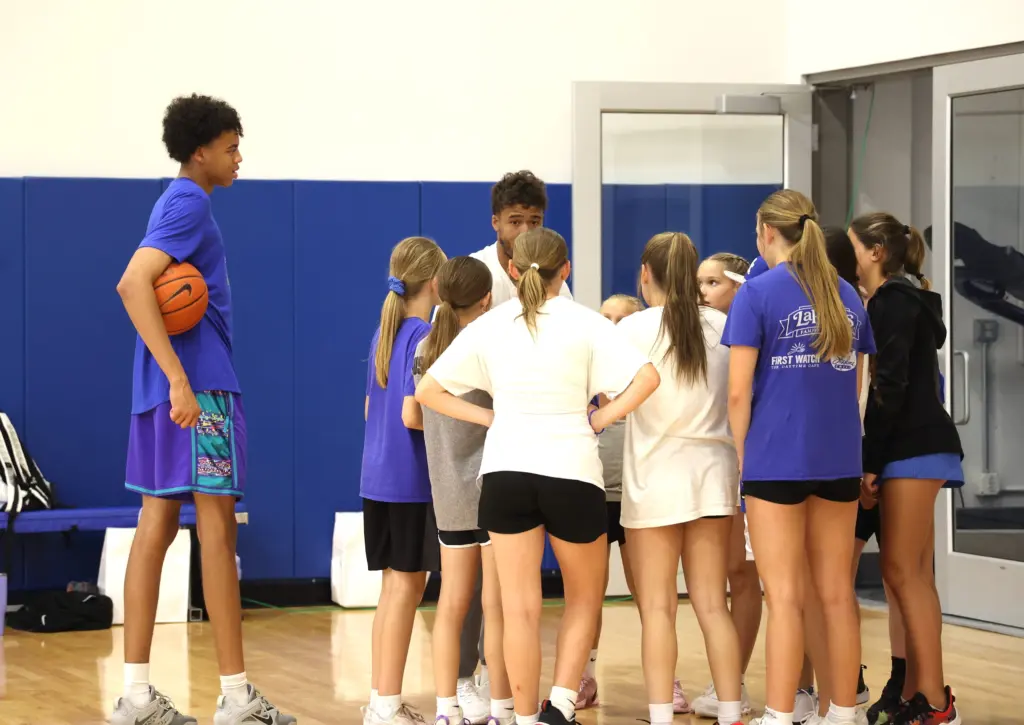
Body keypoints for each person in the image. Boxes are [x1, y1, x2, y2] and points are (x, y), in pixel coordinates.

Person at [416, 228, 660, 725]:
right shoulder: (587, 322)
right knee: (584, 599)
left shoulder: (491, 324)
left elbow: (428, 390)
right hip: (573, 472)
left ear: (511, 270)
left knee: (518, 609)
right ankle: (562, 703)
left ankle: (525, 718)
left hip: (506, 473)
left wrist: (491, 418)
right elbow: (647, 378)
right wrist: (600, 418)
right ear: (564, 270)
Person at [112, 94, 293, 725]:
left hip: (162, 391)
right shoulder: (189, 201)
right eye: (231, 147)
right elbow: (133, 283)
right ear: (200, 152)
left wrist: (167, 380)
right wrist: (180, 379)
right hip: (198, 390)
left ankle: (136, 696)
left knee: (156, 525)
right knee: (217, 532)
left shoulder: (172, 200)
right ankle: (237, 698)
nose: (239, 158)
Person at [723, 190, 876, 725]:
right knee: (835, 593)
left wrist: (744, 456)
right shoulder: (847, 294)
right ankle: (842, 713)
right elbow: (856, 388)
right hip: (838, 460)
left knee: (784, 597)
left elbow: (738, 394)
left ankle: (780, 714)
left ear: (767, 232)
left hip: (775, 460)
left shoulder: (756, 292)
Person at [457, 170, 573, 716]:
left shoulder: (556, 279)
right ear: (496, 223)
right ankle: (471, 679)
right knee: (478, 579)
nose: (525, 229)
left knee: (514, 586)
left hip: (535, 445)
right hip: (480, 441)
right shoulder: (477, 272)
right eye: (515, 220)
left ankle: (509, 685)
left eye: (534, 220)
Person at [849, 213, 964, 725]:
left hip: (912, 447)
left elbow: (889, 387)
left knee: (902, 571)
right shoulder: (902, 298)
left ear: (876, 252)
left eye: (853, 248)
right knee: (912, 574)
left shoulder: (892, 302)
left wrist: (870, 462)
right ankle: (920, 692)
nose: (848, 259)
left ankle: (935, 701)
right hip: (920, 446)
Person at [412, 256, 514, 725]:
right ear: (487, 298)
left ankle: (445, 706)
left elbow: (414, 415)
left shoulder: (425, 347)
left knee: (451, 601)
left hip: (447, 490)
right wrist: (491, 416)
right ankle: (501, 706)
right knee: (494, 602)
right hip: (489, 484)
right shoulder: (487, 345)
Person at [361, 236, 447, 725]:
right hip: (411, 480)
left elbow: (370, 408)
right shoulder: (425, 337)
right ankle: (386, 706)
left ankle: (381, 701)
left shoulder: (384, 333)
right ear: (435, 283)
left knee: (392, 591)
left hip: (377, 476)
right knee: (406, 591)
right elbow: (413, 415)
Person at [690, 252, 757, 720]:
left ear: (738, 285)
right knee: (731, 574)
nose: (703, 292)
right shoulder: (700, 332)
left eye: (713, 282)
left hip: (750, 461)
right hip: (716, 465)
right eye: (699, 282)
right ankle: (731, 681)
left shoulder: (753, 326)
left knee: (745, 574)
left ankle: (736, 682)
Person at [575, 293, 644, 711]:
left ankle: (666, 678)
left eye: (622, 318)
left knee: (648, 594)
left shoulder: (646, 372)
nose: (613, 325)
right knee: (589, 594)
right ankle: (585, 676)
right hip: (593, 494)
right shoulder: (584, 368)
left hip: (637, 494)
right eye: (606, 317)